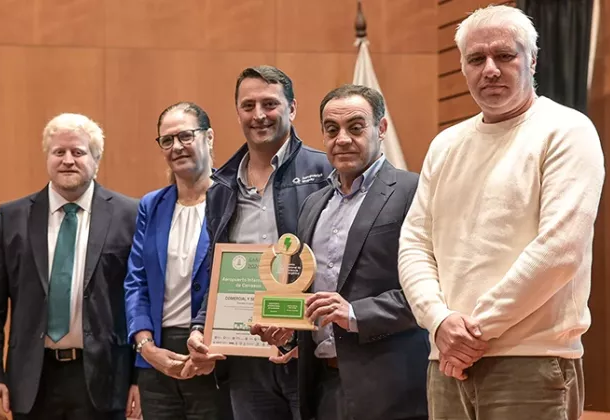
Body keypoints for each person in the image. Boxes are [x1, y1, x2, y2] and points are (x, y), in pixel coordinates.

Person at [398, 5, 605, 420]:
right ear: (463, 67)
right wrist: (439, 322)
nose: (489, 69)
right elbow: (414, 245)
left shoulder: (567, 130)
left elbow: (559, 250)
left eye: (504, 55)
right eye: (476, 59)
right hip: (447, 363)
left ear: (532, 60)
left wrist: (472, 335)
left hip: (531, 360)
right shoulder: (445, 145)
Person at [257, 85, 429, 420]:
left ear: (381, 128)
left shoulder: (413, 191)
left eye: (356, 126)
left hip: (392, 389)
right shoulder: (313, 205)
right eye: (332, 129)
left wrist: (355, 313)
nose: (343, 139)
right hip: (321, 387)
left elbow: (431, 292)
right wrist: (289, 331)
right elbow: (309, 295)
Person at [186, 65, 332, 420]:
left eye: (270, 104)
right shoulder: (220, 187)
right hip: (245, 356)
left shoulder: (325, 171)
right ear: (237, 112)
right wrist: (201, 327)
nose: (259, 115)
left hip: (307, 354)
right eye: (248, 105)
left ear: (292, 109)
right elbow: (216, 269)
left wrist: (304, 335)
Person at [0, 113, 141, 420]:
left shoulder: (130, 215)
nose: (67, 160)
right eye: (58, 152)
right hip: (32, 382)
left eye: (78, 152)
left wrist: (140, 379)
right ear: (47, 157)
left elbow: (143, 301)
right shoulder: (11, 218)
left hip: (106, 381)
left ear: (96, 159)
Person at [124, 102, 232, 419]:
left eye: (185, 136)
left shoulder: (233, 199)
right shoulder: (152, 205)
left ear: (209, 137)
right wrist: (146, 346)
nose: (176, 147)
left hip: (213, 354)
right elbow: (136, 281)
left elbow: (234, 281)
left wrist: (207, 343)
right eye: (167, 140)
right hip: (157, 356)